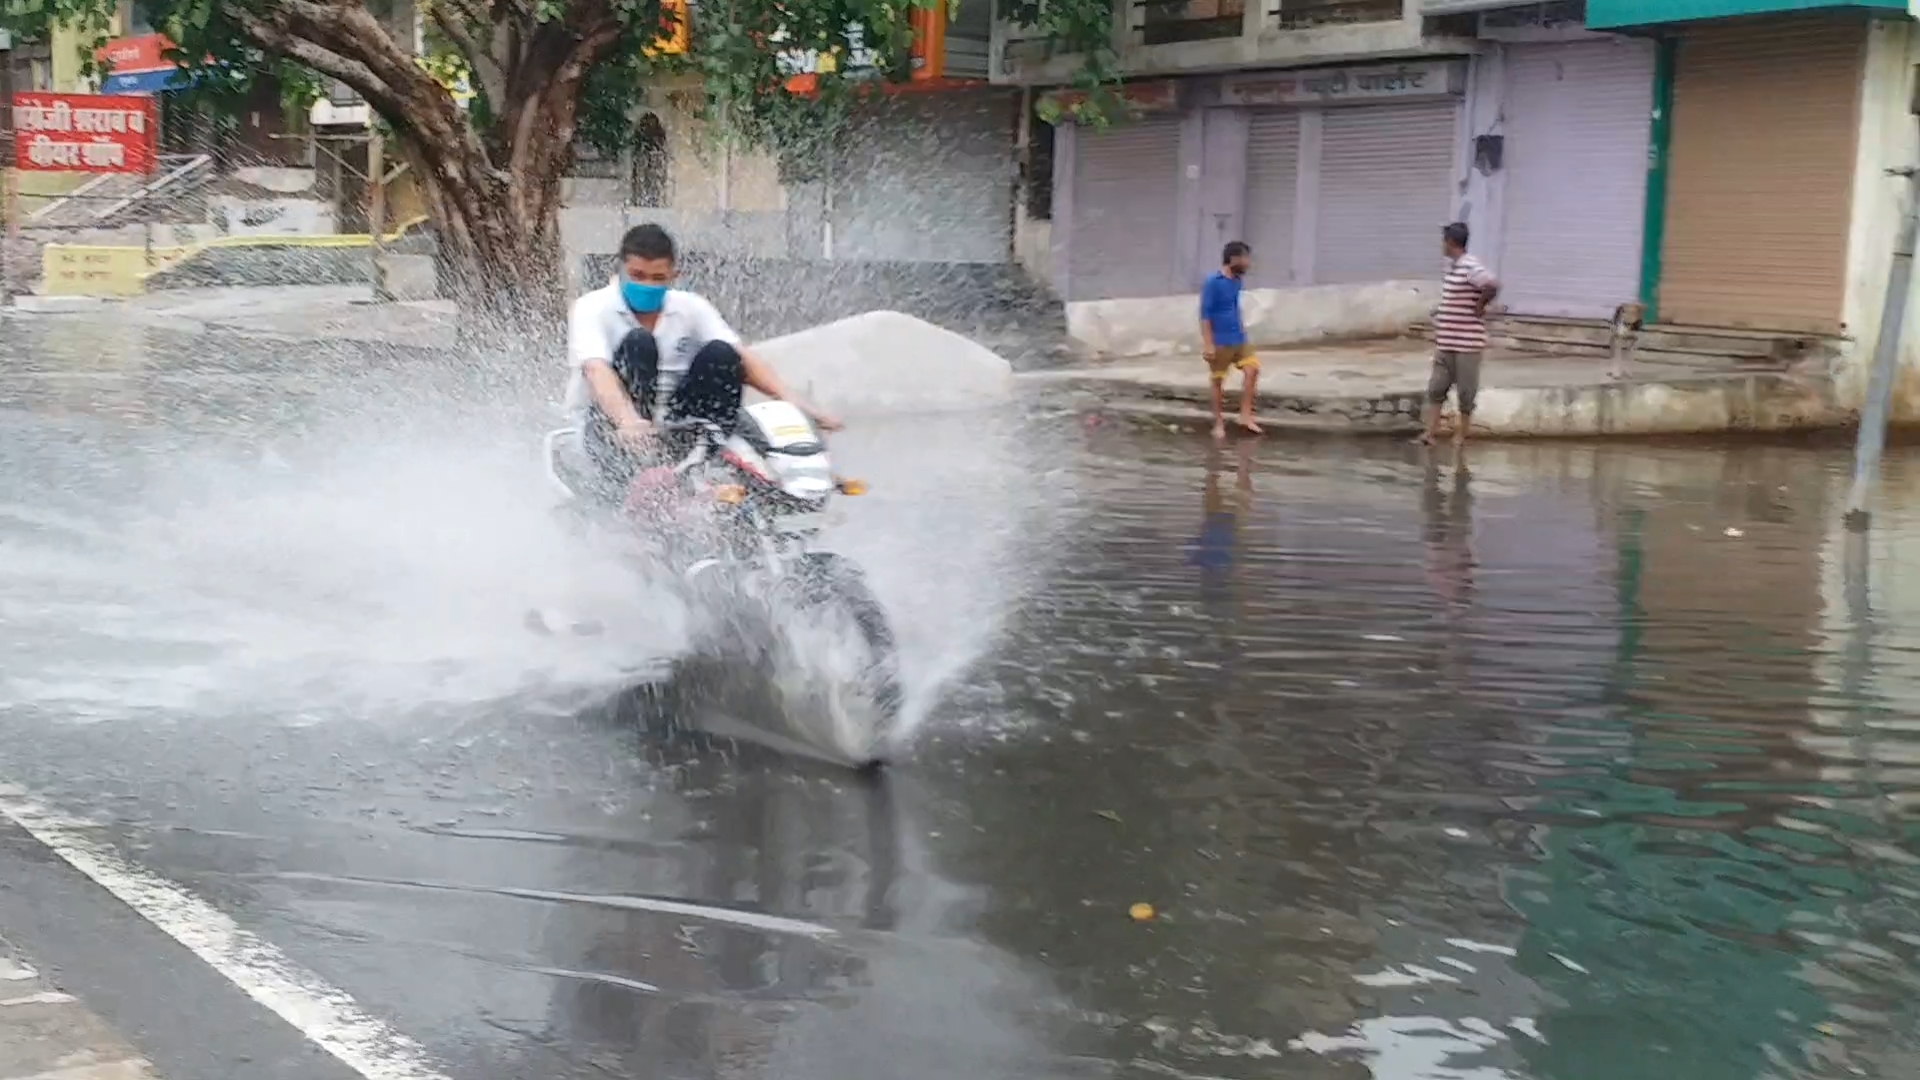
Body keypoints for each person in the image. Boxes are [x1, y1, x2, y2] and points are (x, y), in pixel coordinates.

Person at [565, 223, 839, 504]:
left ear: (673, 276)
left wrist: (796, 403)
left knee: (721, 354)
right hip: (613, 425)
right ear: (620, 269)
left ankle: (709, 460)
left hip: (675, 421)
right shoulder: (593, 307)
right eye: (637, 276)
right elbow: (596, 370)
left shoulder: (689, 307)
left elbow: (741, 357)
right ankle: (643, 476)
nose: (647, 285)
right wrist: (627, 421)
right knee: (640, 342)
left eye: (657, 278)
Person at [1420, 221, 1499, 448]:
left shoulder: (1469, 265)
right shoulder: (1453, 268)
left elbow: (1492, 284)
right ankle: (1430, 433)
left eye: (1444, 241)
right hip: (1446, 342)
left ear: (1452, 242)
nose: (1442, 246)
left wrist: (1480, 306)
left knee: (1465, 393)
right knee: (1436, 388)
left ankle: (1461, 437)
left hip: (1467, 344)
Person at [1199, 241, 1263, 442]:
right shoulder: (1213, 282)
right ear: (1233, 259)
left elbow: (1234, 306)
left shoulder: (1236, 281)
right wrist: (1208, 343)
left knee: (1252, 370)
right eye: (1245, 258)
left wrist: (1242, 327)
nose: (1247, 263)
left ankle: (1245, 416)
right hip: (1219, 341)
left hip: (1238, 338)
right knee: (1218, 381)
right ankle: (1218, 423)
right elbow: (1204, 315)